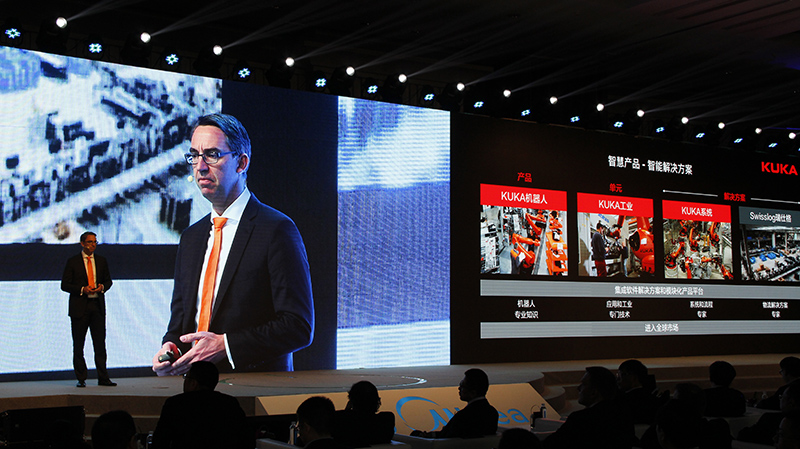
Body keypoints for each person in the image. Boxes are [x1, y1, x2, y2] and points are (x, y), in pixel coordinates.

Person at [151, 113, 314, 375]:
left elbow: (298, 326)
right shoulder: (191, 237)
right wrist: (169, 347)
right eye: (194, 155)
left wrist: (226, 346)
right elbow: (180, 323)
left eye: (212, 155)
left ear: (241, 163)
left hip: (252, 391)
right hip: (193, 387)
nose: (200, 166)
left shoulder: (276, 230)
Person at [150, 361, 249, 449]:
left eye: (186, 377)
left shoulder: (175, 404)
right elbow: (245, 438)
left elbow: (160, 441)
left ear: (193, 383)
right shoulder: (229, 403)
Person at [60, 231, 116, 387]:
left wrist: (102, 287)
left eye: (95, 242)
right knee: (79, 345)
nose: (93, 245)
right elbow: (64, 285)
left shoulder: (101, 261)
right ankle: (81, 378)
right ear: (82, 244)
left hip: (97, 307)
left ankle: (103, 378)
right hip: (80, 308)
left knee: (100, 345)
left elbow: (108, 281)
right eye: (90, 242)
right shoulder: (73, 262)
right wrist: (82, 289)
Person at [543, 366, 634, 449]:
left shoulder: (580, 420)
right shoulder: (624, 417)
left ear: (594, 393)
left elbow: (550, 444)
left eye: (583, 384)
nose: (579, 388)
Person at [413, 368, 499, 438]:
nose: (459, 388)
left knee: (415, 434)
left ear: (473, 393)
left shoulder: (463, 416)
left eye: (462, 386)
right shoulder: (492, 413)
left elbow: (447, 439)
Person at [332, 381, 394, 447]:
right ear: (377, 401)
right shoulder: (386, 420)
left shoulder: (341, 420)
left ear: (352, 402)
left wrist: (347, 410)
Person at [739, 380, 800, 445]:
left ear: (791, 402)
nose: (775, 438)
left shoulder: (769, 420)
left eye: (781, 397)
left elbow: (744, 435)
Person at [617, 359, 659, 424]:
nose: (618, 379)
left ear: (633, 377)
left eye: (621, 375)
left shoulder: (623, 401)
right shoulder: (651, 397)